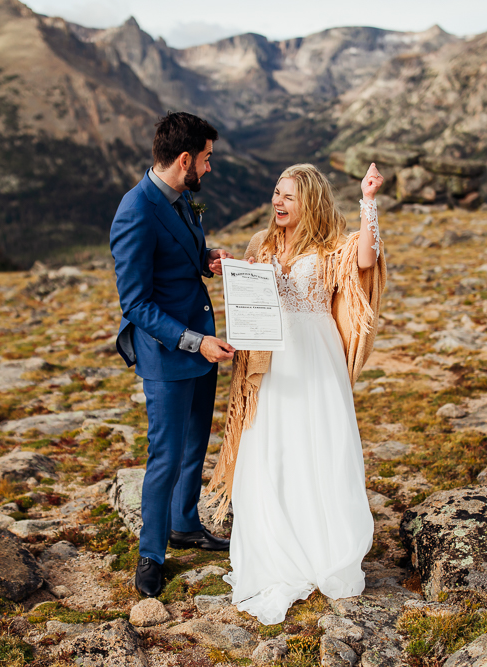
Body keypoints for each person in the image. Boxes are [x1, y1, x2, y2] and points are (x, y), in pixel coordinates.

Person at [206, 162, 386, 625]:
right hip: (269, 364)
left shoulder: (330, 248)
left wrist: (369, 201)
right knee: (270, 450)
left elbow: (366, 260)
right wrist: (231, 270)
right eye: (275, 192)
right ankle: (274, 549)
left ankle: (322, 548)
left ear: (311, 201)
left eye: (288, 195)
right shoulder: (260, 244)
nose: (278, 202)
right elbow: (250, 294)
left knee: (317, 450)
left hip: (314, 361)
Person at [110, 111, 237, 598]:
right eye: (206, 159)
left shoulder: (181, 197)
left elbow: (180, 258)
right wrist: (195, 341)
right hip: (170, 353)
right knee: (164, 454)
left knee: (194, 444)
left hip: (201, 345)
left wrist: (206, 259)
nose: (209, 169)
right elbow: (136, 304)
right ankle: (151, 553)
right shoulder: (135, 211)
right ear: (184, 159)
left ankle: (186, 523)